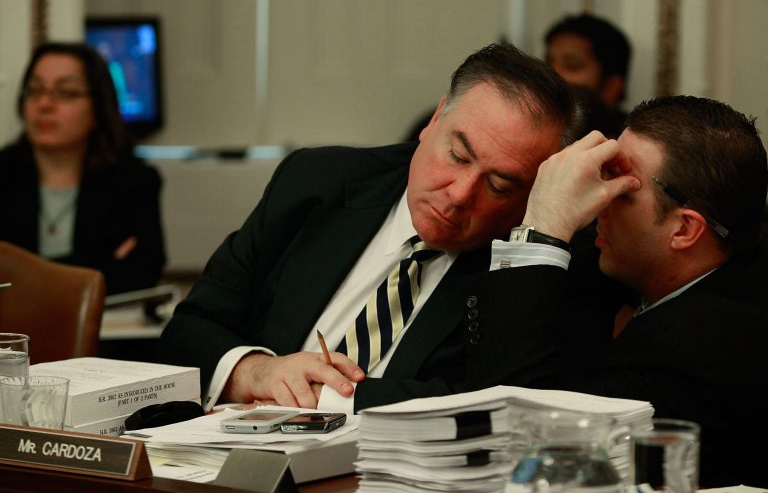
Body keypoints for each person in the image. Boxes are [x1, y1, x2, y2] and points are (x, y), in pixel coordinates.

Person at [155, 42, 629, 414]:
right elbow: (188, 332)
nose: (461, 192)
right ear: (435, 119)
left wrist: (330, 397)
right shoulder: (315, 183)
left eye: (501, 184)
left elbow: (502, 404)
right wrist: (253, 371)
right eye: (458, 155)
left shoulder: (554, 264)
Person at [466, 96, 768, 486]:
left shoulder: (718, 341)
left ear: (684, 230)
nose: (597, 205)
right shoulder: (641, 262)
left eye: (621, 193)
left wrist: (542, 224)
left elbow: (522, 427)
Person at [0, 42, 165, 295]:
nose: (44, 104)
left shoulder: (135, 181)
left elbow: (142, 272)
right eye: (34, 90)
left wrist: (27, 272)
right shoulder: (4, 174)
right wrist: (97, 266)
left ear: (98, 107)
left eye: (66, 93)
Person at [544, 13, 631, 135]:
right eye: (548, 63)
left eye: (572, 65)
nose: (551, 75)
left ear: (610, 87)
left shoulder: (627, 143)